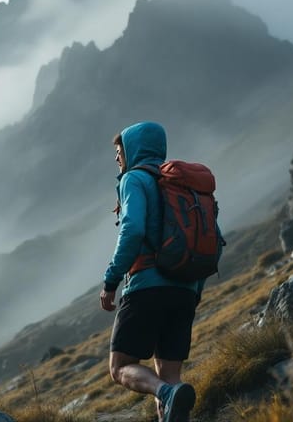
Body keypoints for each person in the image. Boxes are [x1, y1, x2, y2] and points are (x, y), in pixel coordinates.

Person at [100, 121, 205, 422]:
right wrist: (193, 290)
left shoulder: (134, 179)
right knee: (171, 375)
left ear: (133, 150)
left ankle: (167, 393)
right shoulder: (185, 186)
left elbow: (132, 230)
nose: (117, 159)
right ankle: (170, 395)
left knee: (120, 367)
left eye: (119, 151)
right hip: (185, 289)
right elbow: (208, 240)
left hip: (147, 287)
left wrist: (111, 280)